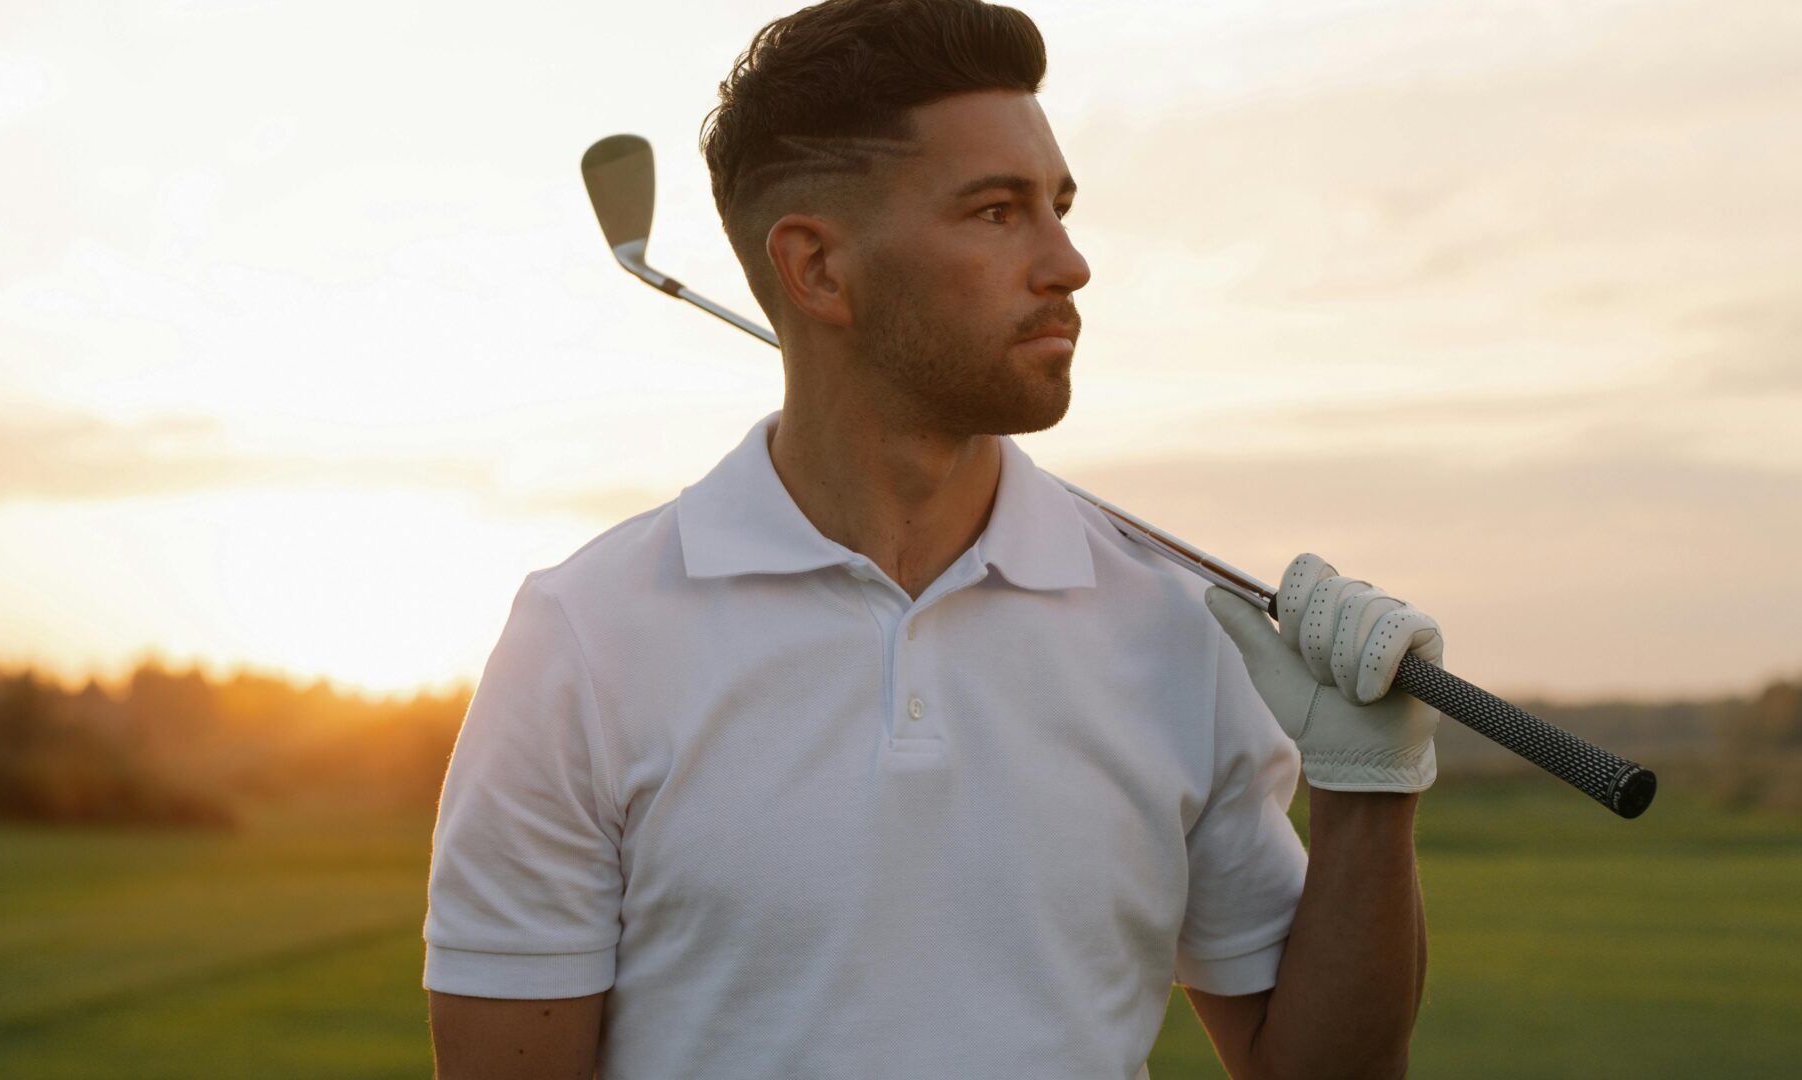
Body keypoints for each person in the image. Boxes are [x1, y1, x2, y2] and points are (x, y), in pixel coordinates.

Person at [424, 1, 1440, 1077]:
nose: (1069, 262)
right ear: (816, 270)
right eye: (999, 212)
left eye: (1059, 204)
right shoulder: (582, 638)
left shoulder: (1175, 627)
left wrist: (1367, 794)